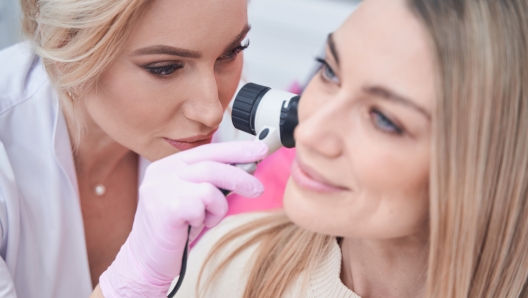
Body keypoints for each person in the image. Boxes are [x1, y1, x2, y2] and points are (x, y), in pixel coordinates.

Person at [178, 0, 528, 297]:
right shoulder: (227, 265)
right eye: (329, 72)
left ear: (490, 166)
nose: (310, 131)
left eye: (384, 119)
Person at [0, 0, 271, 297]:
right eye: (165, 69)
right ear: (67, 50)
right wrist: (133, 282)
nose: (212, 113)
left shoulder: (205, 141)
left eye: (231, 51)